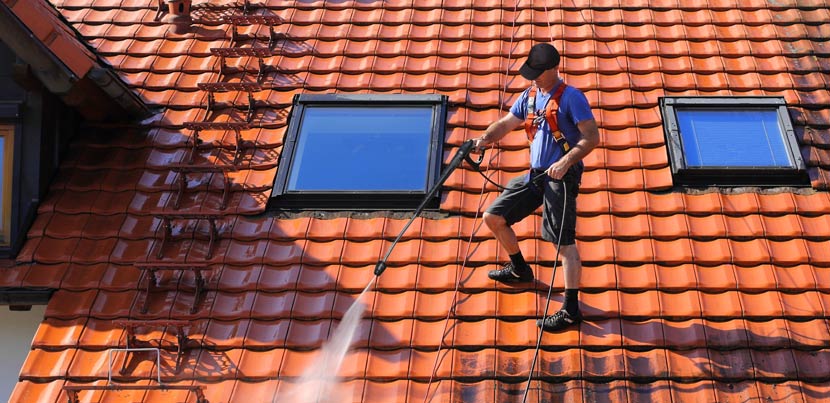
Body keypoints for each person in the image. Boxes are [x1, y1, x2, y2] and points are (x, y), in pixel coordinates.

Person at [473, 43, 600, 332]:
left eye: (539, 73)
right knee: (493, 217)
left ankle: (570, 309)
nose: (534, 78)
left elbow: (591, 138)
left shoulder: (572, 98)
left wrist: (566, 162)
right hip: (536, 175)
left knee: (562, 243)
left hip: (561, 178)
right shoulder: (530, 96)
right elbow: (506, 124)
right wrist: (483, 139)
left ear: (554, 68)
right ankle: (519, 268)